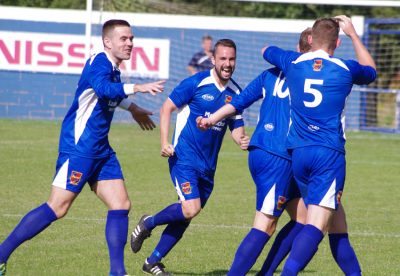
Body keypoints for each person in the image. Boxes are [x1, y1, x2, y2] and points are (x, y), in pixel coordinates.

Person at [0, 19, 165, 276]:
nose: (130, 43)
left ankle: (117, 273)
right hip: (79, 147)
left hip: (100, 149)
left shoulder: (113, 67)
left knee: (120, 204)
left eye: (131, 38)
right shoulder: (100, 61)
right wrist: (137, 89)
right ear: (107, 42)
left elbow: (105, 94)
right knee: (57, 207)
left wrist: (132, 109)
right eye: (124, 39)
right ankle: (0, 255)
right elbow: (102, 87)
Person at [263, 15, 376, 275]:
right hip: (327, 155)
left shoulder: (293, 62)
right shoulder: (345, 68)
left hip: (299, 155)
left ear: (311, 39)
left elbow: (266, 50)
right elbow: (371, 70)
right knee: (315, 224)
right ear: (337, 41)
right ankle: (288, 272)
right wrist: (355, 36)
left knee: (337, 224)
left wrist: (283, 55)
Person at [196, 29, 312, 276]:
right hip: (276, 156)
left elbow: (240, 100)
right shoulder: (311, 77)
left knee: (305, 220)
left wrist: (213, 118)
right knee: (266, 223)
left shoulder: (269, 74)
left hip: (270, 153)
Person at [130, 38, 250, 275]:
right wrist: (165, 142)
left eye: (231, 59)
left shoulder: (236, 92)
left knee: (185, 216)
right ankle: (148, 222)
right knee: (190, 208)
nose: (227, 64)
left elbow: (236, 126)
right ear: (213, 59)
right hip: (183, 158)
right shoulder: (197, 82)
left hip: (208, 167)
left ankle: (152, 262)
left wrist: (241, 139)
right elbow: (166, 108)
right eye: (223, 58)